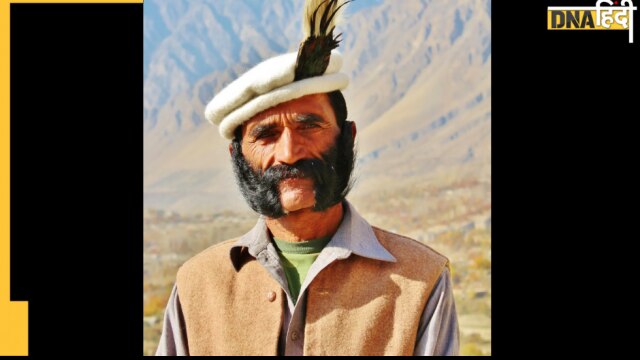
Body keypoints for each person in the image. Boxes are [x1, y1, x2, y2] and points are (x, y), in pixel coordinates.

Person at [156, 0, 459, 356]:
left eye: (309, 126)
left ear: (347, 138)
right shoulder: (197, 285)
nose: (289, 152)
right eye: (266, 135)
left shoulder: (421, 279)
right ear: (237, 157)